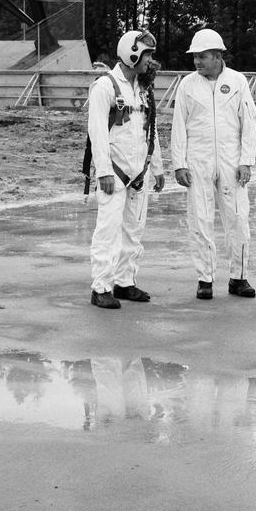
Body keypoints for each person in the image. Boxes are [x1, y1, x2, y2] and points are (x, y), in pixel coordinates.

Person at [171, 28, 256, 300]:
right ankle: (205, 278)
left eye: (203, 56)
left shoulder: (238, 81)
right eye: (195, 56)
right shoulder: (187, 85)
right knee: (200, 218)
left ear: (218, 56)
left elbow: (248, 124)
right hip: (198, 159)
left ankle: (239, 277)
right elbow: (178, 126)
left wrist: (246, 161)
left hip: (231, 160)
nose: (197, 61)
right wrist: (179, 163)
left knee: (238, 218)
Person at [85, 29, 165, 309]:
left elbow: (150, 130)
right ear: (132, 53)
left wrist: (157, 168)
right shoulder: (105, 87)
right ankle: (101, 287)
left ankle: (124, 282)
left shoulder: (142, 90)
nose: (150, 61)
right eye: (147, 55)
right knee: (108, 231)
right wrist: (104, 171)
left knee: (134, 230)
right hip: (115, 174)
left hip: (138, 174)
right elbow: (96, 132)